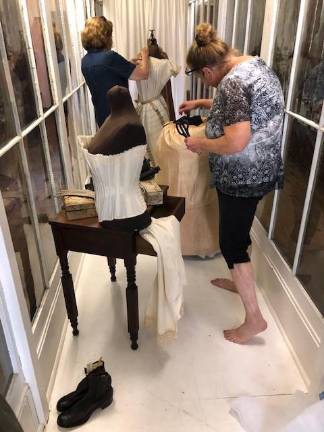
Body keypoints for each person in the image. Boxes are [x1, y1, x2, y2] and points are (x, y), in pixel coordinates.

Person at [179, 23, 284, 344]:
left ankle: (254, 320)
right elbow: (244, 110)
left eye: (201, 77)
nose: (204, 83)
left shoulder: (232, 83)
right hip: (264, 169)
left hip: (242, 175)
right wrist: (202, 104)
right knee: (240, 231)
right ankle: (237, 279)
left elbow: (236, 140)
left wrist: (201, 145)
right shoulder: (255, 65)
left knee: (231, 243)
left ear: (209, 68)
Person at [81, 16, 149, 127]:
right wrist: (145, 54)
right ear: (105, 36)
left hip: (102, 117)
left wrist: (128, 64)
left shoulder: (85, 61)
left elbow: (107, 76)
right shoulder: (110, 57)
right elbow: (144, 74)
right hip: (120, 117)